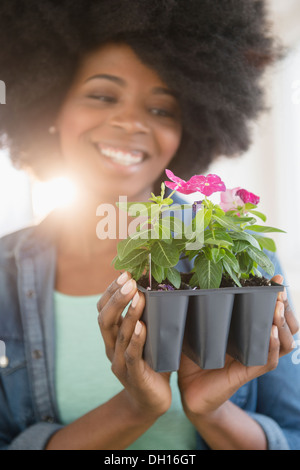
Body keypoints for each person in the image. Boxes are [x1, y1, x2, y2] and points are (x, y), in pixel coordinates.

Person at [0, 0, 299, 451]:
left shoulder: (238, 258)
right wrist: (134, 409)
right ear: (48, 105)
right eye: (102, 95)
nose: (131, 122)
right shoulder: (4, 274)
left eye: (163, 109)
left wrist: (211, 409)